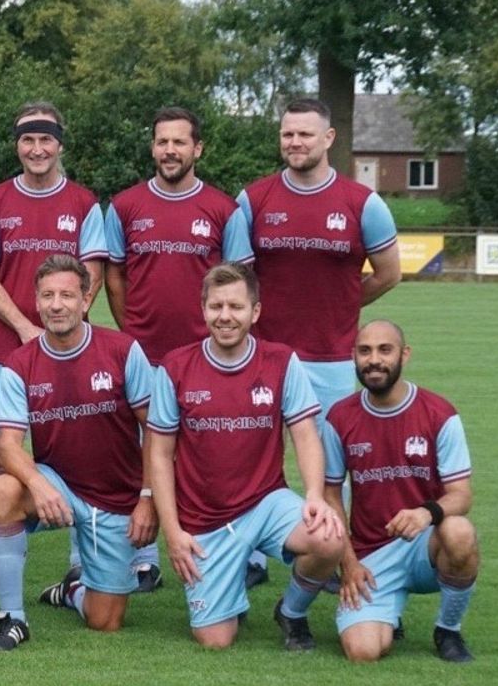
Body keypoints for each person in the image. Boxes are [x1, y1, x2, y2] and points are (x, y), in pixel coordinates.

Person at [235, 97, 400, 587]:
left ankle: (330, 555)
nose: (295, 142)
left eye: (306, 134)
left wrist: (344, 308)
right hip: (263, 356)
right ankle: (251, 556)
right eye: (288, 134)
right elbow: (239, 281)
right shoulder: (254, 199)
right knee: (248, 457)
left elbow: (388, 273)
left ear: (328, 139)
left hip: (330, 359)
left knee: (330, 468)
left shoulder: (362, 202)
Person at [144, 261, 345, 651]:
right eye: (216, 306)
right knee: (215, 640)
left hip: (265, 503)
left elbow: (305, 435)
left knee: (329, 537)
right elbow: (159, 456)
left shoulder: (281, 362)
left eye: (236, 307)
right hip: (205, 520)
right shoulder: (175, 367)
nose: (225, 316)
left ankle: (292, 610)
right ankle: (227, 583)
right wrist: (173, 533)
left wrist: (316, 497)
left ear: (255, 312)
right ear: (203, 310)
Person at [104, 106, 253, 592]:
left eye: (179, 143)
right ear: (153, 147)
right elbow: (115, 274)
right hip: (144, 354)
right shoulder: (124, 206)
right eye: (162, 142)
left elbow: (238, 282)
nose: (170, 150)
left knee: (215, 450)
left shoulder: (223, 209)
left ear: (197, 149)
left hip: (206, 355)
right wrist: (132, 332)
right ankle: (143, 556)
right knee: (140, 450)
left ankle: (235, 544)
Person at [0, 255, 156, 650]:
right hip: (58, 486)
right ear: (37, 302)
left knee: (105, 621)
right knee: (4, 490)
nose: (56, 304)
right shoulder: (19, 363)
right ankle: (13, 617)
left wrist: (148, 498)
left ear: (86, 299)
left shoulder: (122, 350)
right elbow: (6, 445)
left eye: (66, 295)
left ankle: (72, 589)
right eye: (47, 296)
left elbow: (158, 432)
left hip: (117, 496)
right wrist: (38, 484)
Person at [0, 101, 108, 588]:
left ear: (59, 144)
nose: (37, 148)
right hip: (8, 348)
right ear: (17, 146)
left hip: (72, 349)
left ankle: (80, 555)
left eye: (46, 139)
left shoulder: (85, 203)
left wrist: (63, 330)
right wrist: (27, 331)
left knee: (85, 446)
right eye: (28, 140)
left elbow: (95, 275)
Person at [323, 320, 478, 662]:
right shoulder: (339, 417)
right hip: (371, 554)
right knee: (362, 652)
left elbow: (461, 496)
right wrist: (348, 564)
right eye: (365, 351)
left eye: (385, 350)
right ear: (353, 357)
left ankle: (448, 630)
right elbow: (330, 495)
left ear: (404, 355)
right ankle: (387, 614)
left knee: (459, 531)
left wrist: (425, 513)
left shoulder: (440, 413)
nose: (374, 360)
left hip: (424, 547)